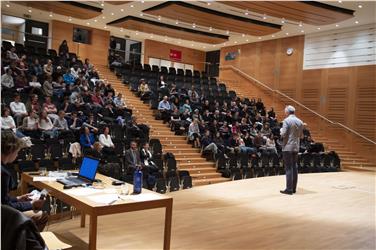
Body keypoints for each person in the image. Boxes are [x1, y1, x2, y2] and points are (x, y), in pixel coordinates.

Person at [1, 131, 48, 231]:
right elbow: (5, 207)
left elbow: (2, 199)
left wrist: (18, 198)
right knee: (41, 215)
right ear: (10, 150)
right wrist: (32, 204)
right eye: (17, 152)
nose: (17, 155)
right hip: (3, 218)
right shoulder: (3, 173)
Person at [280, 105, 303, 195]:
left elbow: (283, 134)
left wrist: (281, 130)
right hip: (296, 146)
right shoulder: (300, 121)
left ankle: (289, 189)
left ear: (287, 112)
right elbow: (301, 136)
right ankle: (293, 188)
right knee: (294, 166)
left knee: (288, 167)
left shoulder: (286, 121)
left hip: (287, 147)